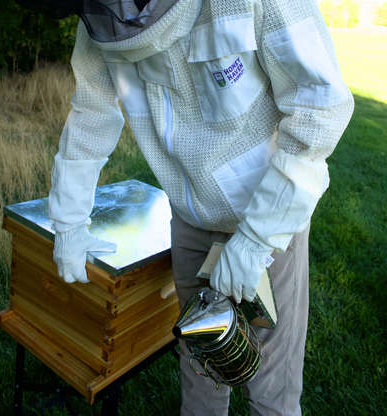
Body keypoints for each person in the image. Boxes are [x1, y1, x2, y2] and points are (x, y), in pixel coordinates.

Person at [27, 0, 354, 414]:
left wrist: (256, 238)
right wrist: (69, 221)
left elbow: (320, 108)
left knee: (271, 384)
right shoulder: (101, 14)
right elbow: (92, 113)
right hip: (189, 219)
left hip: (268, 221)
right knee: (200, 366)